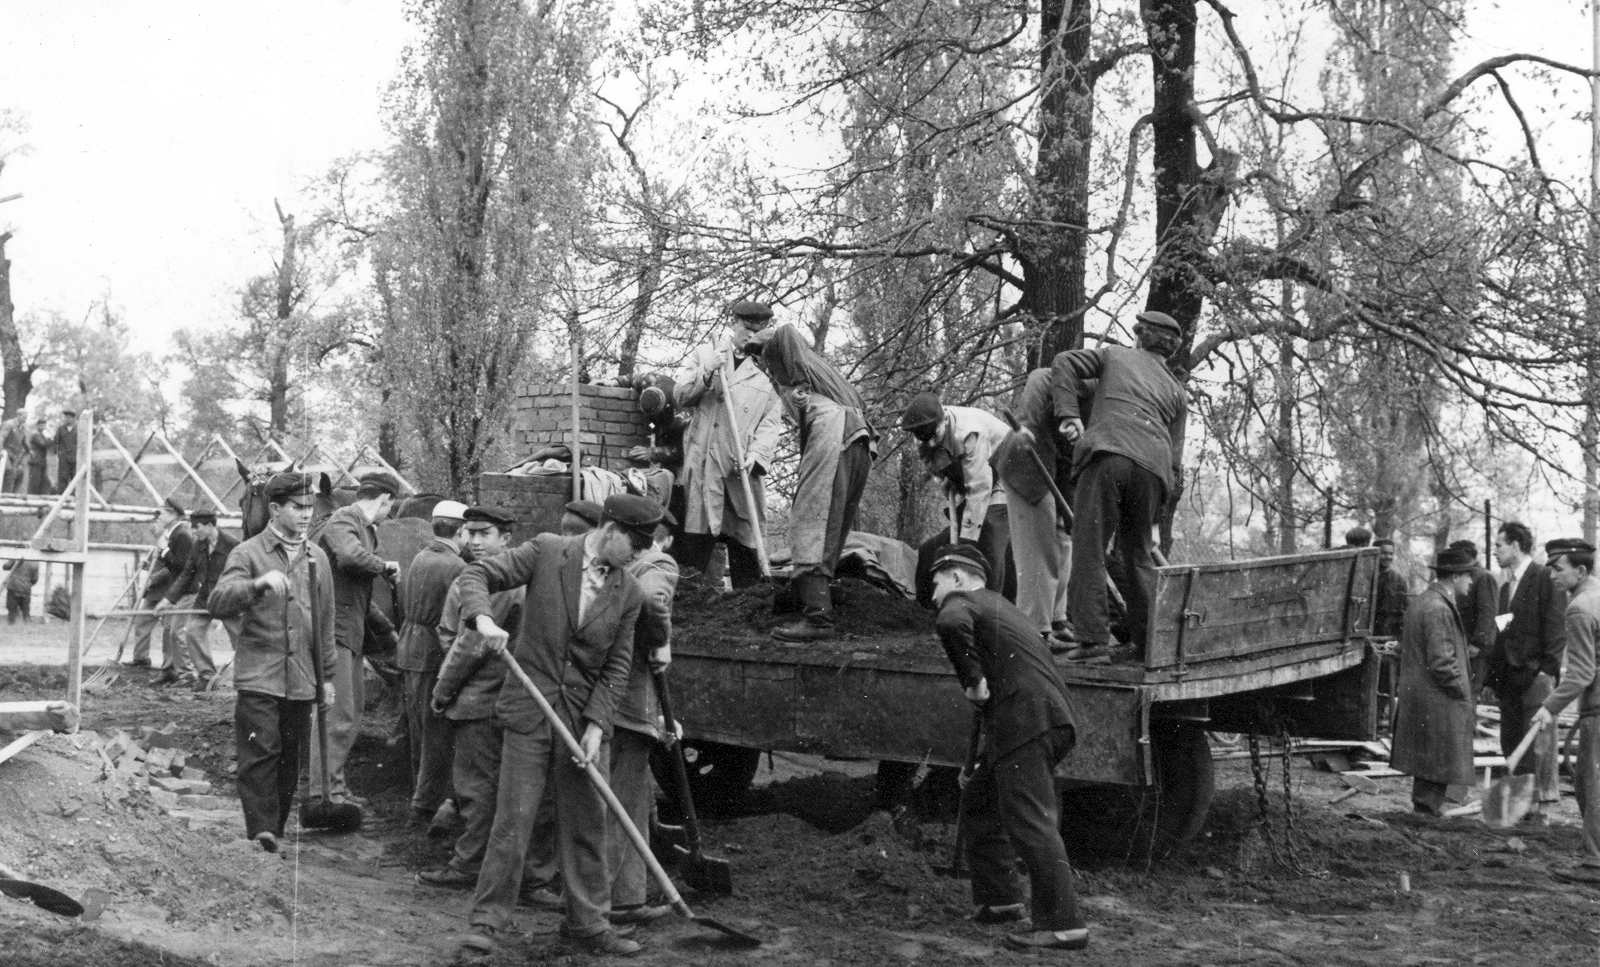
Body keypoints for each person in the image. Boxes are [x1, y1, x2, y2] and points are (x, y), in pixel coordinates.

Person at [451, 494, 658, 961]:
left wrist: (597, 726)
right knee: (514, 822)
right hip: (529, 708)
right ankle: (485, 926)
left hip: (581, 719)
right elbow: (478, 574)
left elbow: (616, 667)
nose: (642, 553)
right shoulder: (547, 551)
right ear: (611, 530)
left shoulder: (629, 592)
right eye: (638, 543)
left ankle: (589, 926)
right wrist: (483, 617)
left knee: (587, 824)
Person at [929, 543, 1087, 951]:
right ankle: (1000, 900)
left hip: (1029, 721)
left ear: (959, 579)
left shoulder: (964, 604)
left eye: (937, 583)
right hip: (1035, 719)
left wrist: (972, 681)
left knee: (1031, 818)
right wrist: (980, 759)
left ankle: (1064, 924)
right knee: (980, 798)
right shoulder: (1002, 607)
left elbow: (948, 623)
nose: (933, 595)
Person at [208, 472, 336, 852]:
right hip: (259, 674)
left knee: (288, 757)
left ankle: (273, 832)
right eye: (297, 507)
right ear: (275, 509)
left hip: (301, 678)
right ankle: (261, 830)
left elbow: (325, 622)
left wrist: (326, 678)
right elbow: (218, 601)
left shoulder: (319, 558)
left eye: (310, 508)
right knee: (260, 751)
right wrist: (257, 585)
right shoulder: (247, 553)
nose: (305, 515)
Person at [1050, 312, 1187, 663]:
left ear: (1140, 335)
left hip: (1109, 453)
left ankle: (1094, 642)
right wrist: (1158, 508)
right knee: (1140, 554)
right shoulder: (1177, 391)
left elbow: (1063, 361)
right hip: (1154, 471)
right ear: (1170, 350)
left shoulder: (1114, 355)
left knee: (1089, 546)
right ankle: (1146, 644)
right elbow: (1174, 458)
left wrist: (1069, 415)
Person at [749, 322, 878, 642]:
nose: (764, 369)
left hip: (833, 436)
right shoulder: (820, 369)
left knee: (809, 521)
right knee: (832, 521)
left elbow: (812, 419)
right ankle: (808, 591)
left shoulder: (793, 377)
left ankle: (818, 617)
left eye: (764, 359)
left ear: (776, 354)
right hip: (860, 441)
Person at [419, 506, 525, 890]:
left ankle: (468, 865)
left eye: (487, 534)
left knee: (476, 786)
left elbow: (471, 644)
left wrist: (443, 690)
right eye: (471, 533)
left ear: (506, 540)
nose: (477, 542)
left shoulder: (497, 582)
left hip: (482, 698)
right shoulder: (490, 577)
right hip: (493, 696)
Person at [672, 300, 783, 588]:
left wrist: (757, 454)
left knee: (744, 540)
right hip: (705, 464)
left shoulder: (768, 370)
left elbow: (771, 422)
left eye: (759, 330)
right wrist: (707, 371)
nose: (751, 335)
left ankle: (747, 608)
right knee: (696, 544)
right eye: (746, 328)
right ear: (733, 323)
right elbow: (680, 395)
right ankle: (690, 608)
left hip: (739, 468)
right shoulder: (705, 354)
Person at [309, 471, 401, 810]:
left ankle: (334, 787)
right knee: (337, 715)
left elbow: (358, 595)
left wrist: (388, 631)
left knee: (351, 713)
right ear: (384, 500)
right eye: (389, 508)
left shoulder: (364, 529)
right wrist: (384, 566)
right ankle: (324, 795)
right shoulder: (344, 519)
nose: (388, 514)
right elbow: (349, 556)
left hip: (350, 630)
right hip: (334, 631)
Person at [608, 512, 678, 925]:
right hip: (632, 701)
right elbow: (654, 600)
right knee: (628, 800)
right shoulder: (659, 564)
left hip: (602, 695)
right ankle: (624, 899)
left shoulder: (615, 565)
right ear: (662, 540)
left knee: (619, 795)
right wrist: (661, 642)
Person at [397, 499, 469, 827]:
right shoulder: (456, 567)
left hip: (409, 648)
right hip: (432, 652)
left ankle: (420, 796)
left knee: (419, 728)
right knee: (436, 733)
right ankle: (426, 806)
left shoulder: (420, 557)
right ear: (462, 531)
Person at [1390, 545, 1476, 816]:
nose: (1471, 582)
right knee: (1437, 759)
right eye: (1468, 576)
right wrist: (1463, 691)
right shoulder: (1439, 608)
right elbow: (1442, 662)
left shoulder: (1426, 601)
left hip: (1424, 696)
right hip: (1438, 698)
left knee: (1430, 760)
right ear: (1455, 576)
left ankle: (1426, 812)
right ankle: (1426, 817)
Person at [901, 393, 1014, 600]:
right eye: (925, 438)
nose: (932, 442)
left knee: (989, 535)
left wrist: (966, 542)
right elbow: (939, 467)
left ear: (943, 418)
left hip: (1004, 473)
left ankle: (988, 608)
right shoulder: (923, 436)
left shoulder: (969, 431)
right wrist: (949, 480)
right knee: (930, 550)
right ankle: (927, 609)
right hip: (972, 480)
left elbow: (980, 488)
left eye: (936, 435)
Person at [1489, 521, 1566, 823]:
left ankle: (1542, 808)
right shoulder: (1506, 586)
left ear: (1516, 546)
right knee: (1512, 741)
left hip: (1537, 676)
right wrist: (1493, 678)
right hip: (1510, 678)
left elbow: (1556, 626)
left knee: (1540, 743)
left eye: (1499, 545)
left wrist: (1547, 671)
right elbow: (1503, 631)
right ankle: (1520, 806)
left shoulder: (1545, 577)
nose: (1495, 551)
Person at [1532, 538, 1600, 867]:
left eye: (1558, 569)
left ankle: (1594, 860)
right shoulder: (1596, 594)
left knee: (1592, 781)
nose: (1552, 576)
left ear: (1581, 569)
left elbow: (1582, 672)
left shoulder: (1579, 608)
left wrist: (1549, 706)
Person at [998, 368, 1073, 638]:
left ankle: (1057, 620)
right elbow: (1039, 377)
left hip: (1059, 469)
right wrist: (1027, 424)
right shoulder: (1084, 377)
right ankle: (1035, 629)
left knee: (1064, 542)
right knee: (1037, 548)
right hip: (1026, 465)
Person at [158, 510, 240, 691]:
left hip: (228, 599)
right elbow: (187, 574)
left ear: (210, 525)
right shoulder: (198, 546)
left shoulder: (233, 545)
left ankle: (247, 678)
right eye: (193, 528)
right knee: (192, 631)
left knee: (241, 639)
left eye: (198, 527)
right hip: (205, 598)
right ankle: (207, 676)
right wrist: (168, 600)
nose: (194, 531)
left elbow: (241, 575)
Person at [129, 500, 193, 670]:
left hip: (168, 591)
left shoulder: (175, 536)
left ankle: (170, 666)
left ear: (171, 516)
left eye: (157, 520)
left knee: (170, 630)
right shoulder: (163, 539)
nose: (153, 525)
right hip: (155, 592)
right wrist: (147, 565)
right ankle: (141, 659)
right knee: (143, 621)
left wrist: (154, 578)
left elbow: (176, 565)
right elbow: (162, 560)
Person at [1373, 538, 1409, 638]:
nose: (1388, 557)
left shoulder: (1399, 580)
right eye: (1384, 553)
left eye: (1391, 554)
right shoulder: (1368, 577)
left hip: (1389, 633)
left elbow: (1403, 609)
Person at [4, 557, 38, 623]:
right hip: (26, 589)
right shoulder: (35, 562)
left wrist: (12, 559)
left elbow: (5, 566)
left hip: (13, 587)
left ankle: (11, 625)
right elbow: (34, 579)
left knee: (11, 610)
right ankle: (27, 626)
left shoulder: (16, 557)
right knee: (26, 611)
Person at [0, 412, 26, 493]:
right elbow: (1, 437)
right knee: (8, 471)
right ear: (18, 416)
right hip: (5, 451)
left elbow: (23, 442)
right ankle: (4, 495)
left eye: (26, 418)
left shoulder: (22, 428)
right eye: (24, 417)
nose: (25, 420)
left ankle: (8, 495)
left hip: (14, 454)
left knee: (16, 473)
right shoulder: (9, 424)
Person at [26, 416, 51, 496]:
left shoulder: (41, 434)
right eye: (41, 425)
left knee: (43, 483)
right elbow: (44, 444)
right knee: (34, 483)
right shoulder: (35, 434)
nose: (43, 427)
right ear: (37, 425)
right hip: (35, 461)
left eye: (44, 425)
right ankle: (31, 500)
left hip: (41, 462)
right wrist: (49, 437)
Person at [54, 410, 77, 493]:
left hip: (75, 458)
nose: (66, 419)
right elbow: (56, 442)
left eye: (68, 418)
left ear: (73, 419)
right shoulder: (60, 429)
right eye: (65, 418)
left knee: (75, 478)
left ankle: (74, 499)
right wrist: (59, 453)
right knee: (63, 478)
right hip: (64, 459)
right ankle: (62, 497)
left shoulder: (77, 429)